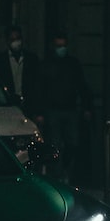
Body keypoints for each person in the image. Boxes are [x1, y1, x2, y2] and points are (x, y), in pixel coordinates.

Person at [37, 28, 93, 182]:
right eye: (58, 46)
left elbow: (81, 85)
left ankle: (64, 171)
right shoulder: (46, 64)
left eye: (63, 45)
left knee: (72, 143)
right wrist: (40, 112)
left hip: (69, 109)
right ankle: (58, 174)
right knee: (55, 143)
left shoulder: (72, 63)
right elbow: (41, 88)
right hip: (53, 109)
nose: (61, 49)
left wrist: (86, 107)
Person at [0, 24, 42, 116]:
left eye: (18, 39)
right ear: (7, 41)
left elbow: (37, 85)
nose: (16, 42)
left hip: (28, 106)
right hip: (8, 107)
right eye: (12, 40)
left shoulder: (32, 59)